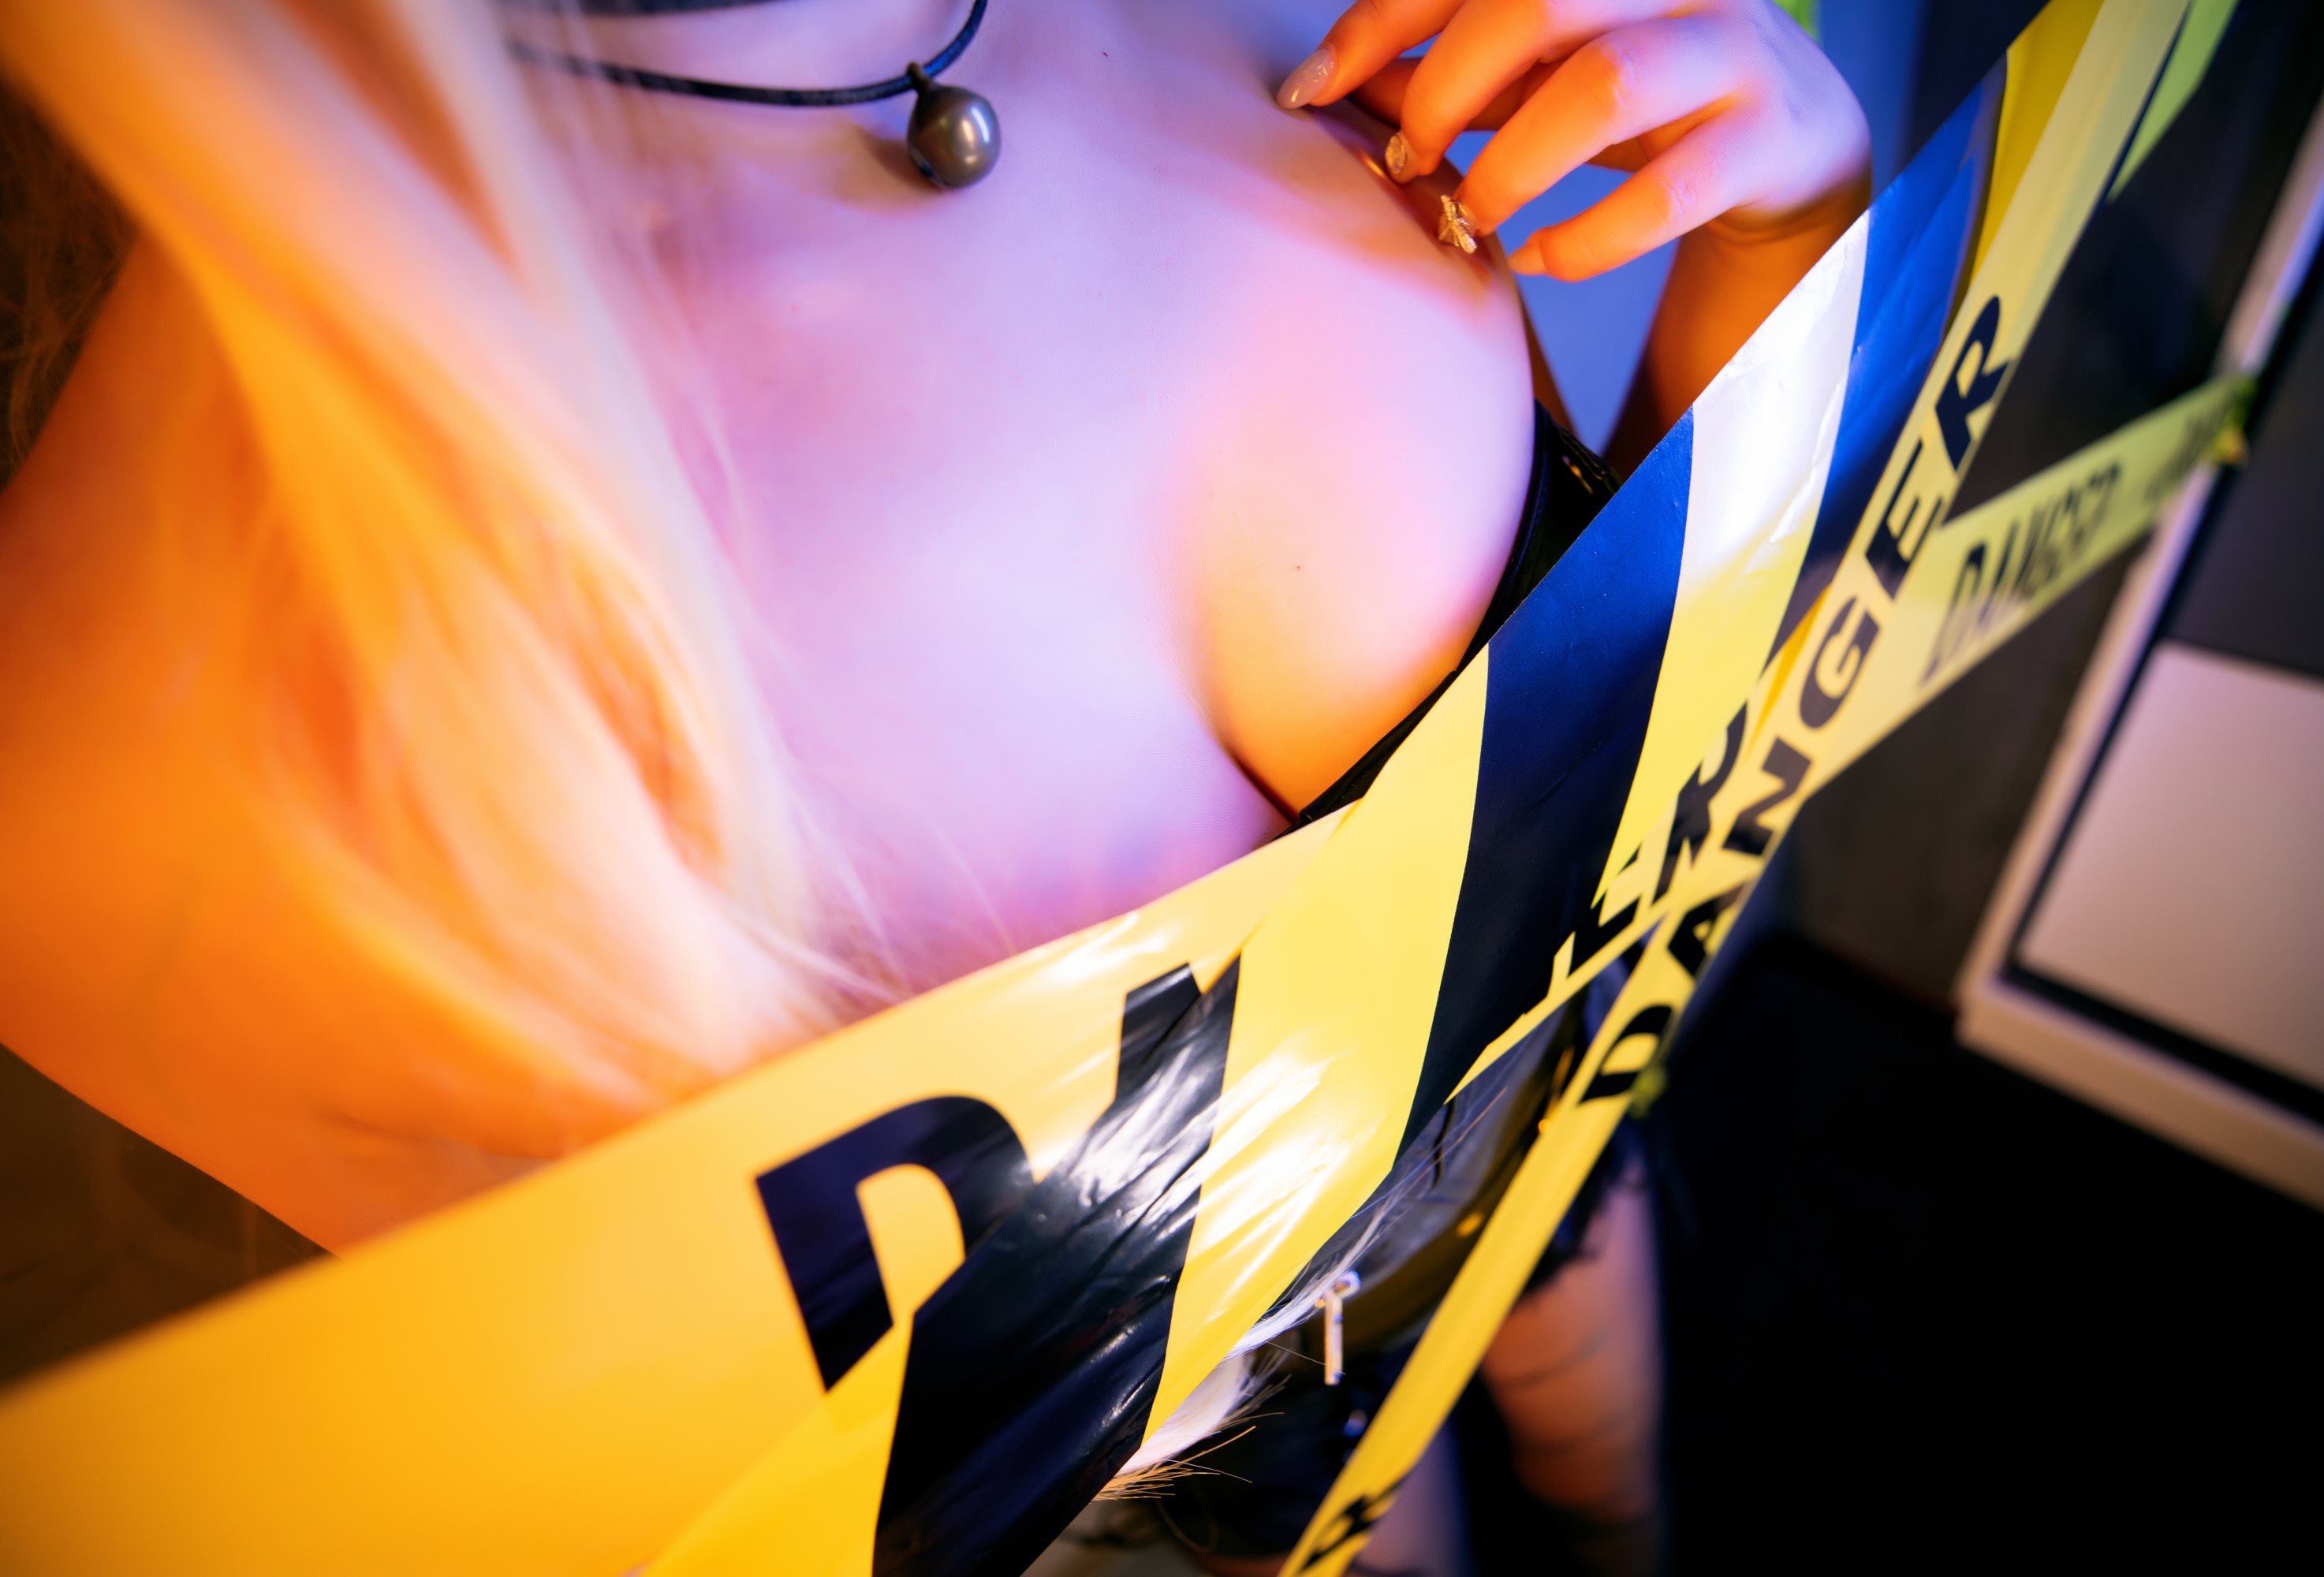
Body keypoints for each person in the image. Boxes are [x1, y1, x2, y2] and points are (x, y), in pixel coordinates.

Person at [0, 1, 1866, 1568]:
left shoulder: (1238, 29)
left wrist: (1782, 239)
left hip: (1565, 1105)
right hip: (1229, 1455)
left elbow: (1676, 717)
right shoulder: (140, 737)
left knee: (1607, 1444)